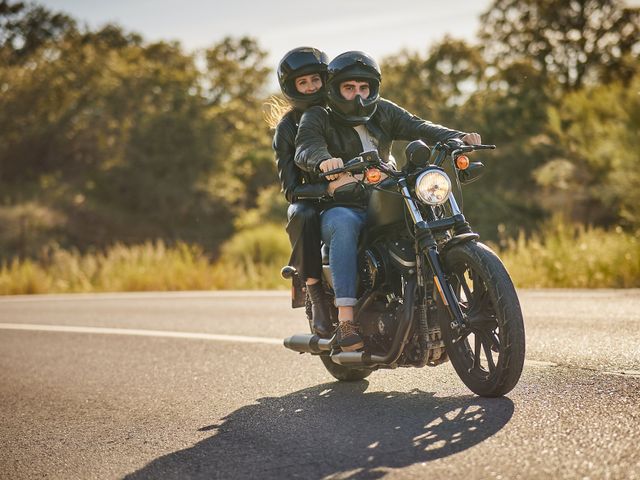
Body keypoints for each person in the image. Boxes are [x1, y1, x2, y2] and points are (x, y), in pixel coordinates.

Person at [295, 51, 481, 351]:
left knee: (429, 213)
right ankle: (346, 320)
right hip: (344, 201)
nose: (358, 95)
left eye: (364, 88)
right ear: (336, 88)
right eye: (350, 88)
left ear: (373, 88)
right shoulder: (319, 116)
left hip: (387, 192)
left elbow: (419, 126)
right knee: (343, 224)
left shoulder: (382, 111)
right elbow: (306, 148)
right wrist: (324, 161)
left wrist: (456, 137)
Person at [268, 46, 332, 337]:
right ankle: (316, 294)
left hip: (358, 190)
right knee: (302, 213)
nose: (310, 88)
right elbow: (292, 190)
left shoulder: (342, 110)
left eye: (315, 80)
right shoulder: (287, 129)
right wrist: (328, 188)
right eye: (302, 83)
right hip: (314, 200)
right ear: (292, 87)